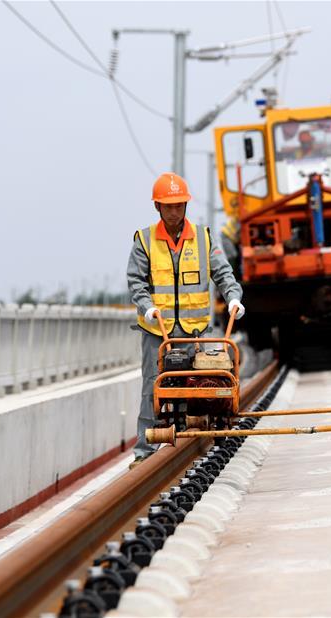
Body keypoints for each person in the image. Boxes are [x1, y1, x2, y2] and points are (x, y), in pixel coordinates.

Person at [127, 172, 246, 468]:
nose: (174, 211)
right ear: (157, 207)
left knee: (204, 383)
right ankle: (144, 453)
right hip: (159, 331)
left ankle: (203, 432)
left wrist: (233, 296)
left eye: (179, 205)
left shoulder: (204, 238)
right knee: (153, 388)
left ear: (185, 206)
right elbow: (136, 283)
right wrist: (147, 306)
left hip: (196, 332)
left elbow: (223, 272)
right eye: (168, 206)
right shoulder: (144, 240)